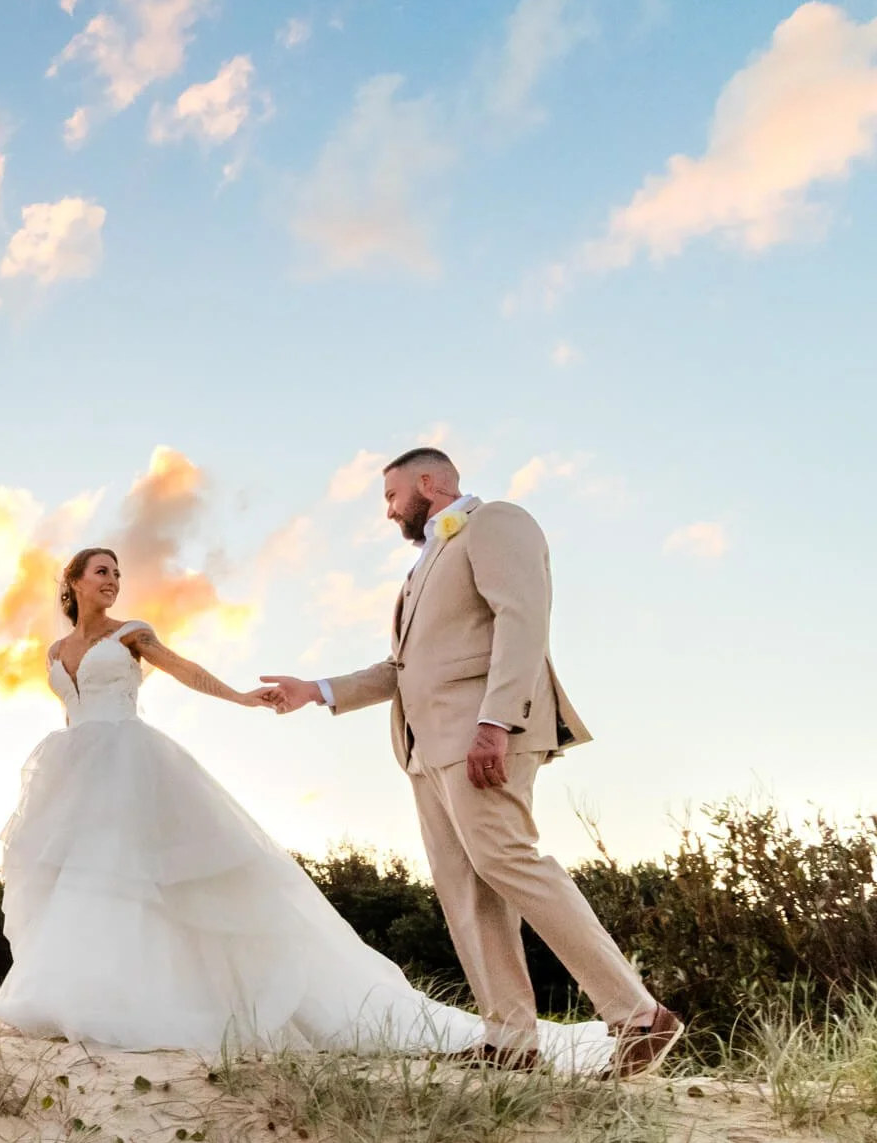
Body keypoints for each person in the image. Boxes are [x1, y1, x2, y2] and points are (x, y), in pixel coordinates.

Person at [0, 545, 616, 1075]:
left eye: (117, 572)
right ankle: (78, 992)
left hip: (131, 762)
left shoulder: (133, 635)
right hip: (76, 768)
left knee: (146, 877)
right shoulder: (54, 651)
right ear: (74, 582)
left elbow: (183, 669)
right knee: (78, 878)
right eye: (100, 571)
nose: (112, 580)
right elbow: (71, 708)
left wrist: (240, 697)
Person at [263, 447, 682, 1079]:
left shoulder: (495, 522)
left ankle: (639, 1016)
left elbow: (524, 620)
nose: (388, 510)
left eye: (391, 495)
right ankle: (510, 1036)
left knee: (507, 858)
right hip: (426, 749)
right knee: (465, 884)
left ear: (429, 482)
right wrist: (317, 690)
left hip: (484, 733)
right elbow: (403, 669)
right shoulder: (423, 566)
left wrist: (496, 721)